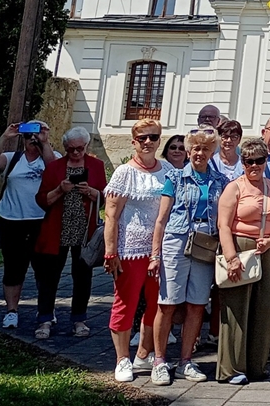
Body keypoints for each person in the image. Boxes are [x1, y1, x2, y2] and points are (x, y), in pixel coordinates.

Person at [147, 126, 227, 385]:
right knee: (168, 303)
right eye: (195, 148)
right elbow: (161, 220)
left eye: (205, 149)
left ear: (212, 152)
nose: (200, 153)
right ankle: (159, 361)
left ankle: (185, 361)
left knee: (196, 304)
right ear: (189, 151)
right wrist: (155, 255)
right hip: (177, 240)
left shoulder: (220, 181)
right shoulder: (175, 177)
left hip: (205, 243)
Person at [102, 120, 172, 383]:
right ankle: (122, 358)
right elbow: (111, 215)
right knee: (126, 303)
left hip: (159, 249)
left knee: (157, 304)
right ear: (134, 142)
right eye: (142, 138)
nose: (148, 142)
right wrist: (111, 252)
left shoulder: (167, 170)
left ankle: (144, 352)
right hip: (129, 249)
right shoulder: (124, 173)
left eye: (153, 137)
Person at [216, 137, 270, 385]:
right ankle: (232, 368)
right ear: (243, 163)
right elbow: (224, 225)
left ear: (266, 161)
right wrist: (231, 258)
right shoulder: (234, 188)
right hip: (240, 247)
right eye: (249, 162)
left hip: (267, 249)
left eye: (259, 160)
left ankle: (257, 365)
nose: (254, 166)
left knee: (266, 306)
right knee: (237, 309)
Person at [33, 127, 106, 338]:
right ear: (65, 148)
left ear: (86, 146)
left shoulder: (96, 166)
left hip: (84, 231)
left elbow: (105, 197)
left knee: (82, 277)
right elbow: (42, 200)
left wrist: (91, 192)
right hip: (57, 229)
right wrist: (59, 190)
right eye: (70, 149)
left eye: (79, 149)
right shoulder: (55, 167)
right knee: (49, 277)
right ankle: (45, 319)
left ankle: (79, 319)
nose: (75, 153)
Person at [0, 120, 57, 330]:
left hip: (41, 220)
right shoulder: (13, 158)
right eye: (28, 135)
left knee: (44, 269)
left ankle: (45, 309)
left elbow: (54, 170)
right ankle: (11, 311)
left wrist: (44, 142)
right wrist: (6, 135)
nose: (32, 139)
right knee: (13, 268)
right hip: (13, 221)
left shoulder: (51, 157)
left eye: (37, 134)